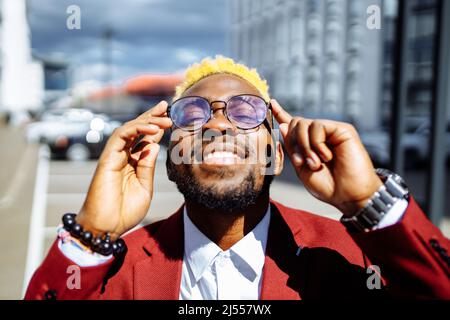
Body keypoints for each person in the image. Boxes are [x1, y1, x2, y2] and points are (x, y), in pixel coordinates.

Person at [25, 56, 449, 300]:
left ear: (277, 156)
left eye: (247, 112)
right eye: (193, 114)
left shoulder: (350, 258)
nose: (219, 124)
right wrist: (91, 233)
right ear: (171, 158)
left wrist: (371, 203)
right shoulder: (114, 271)